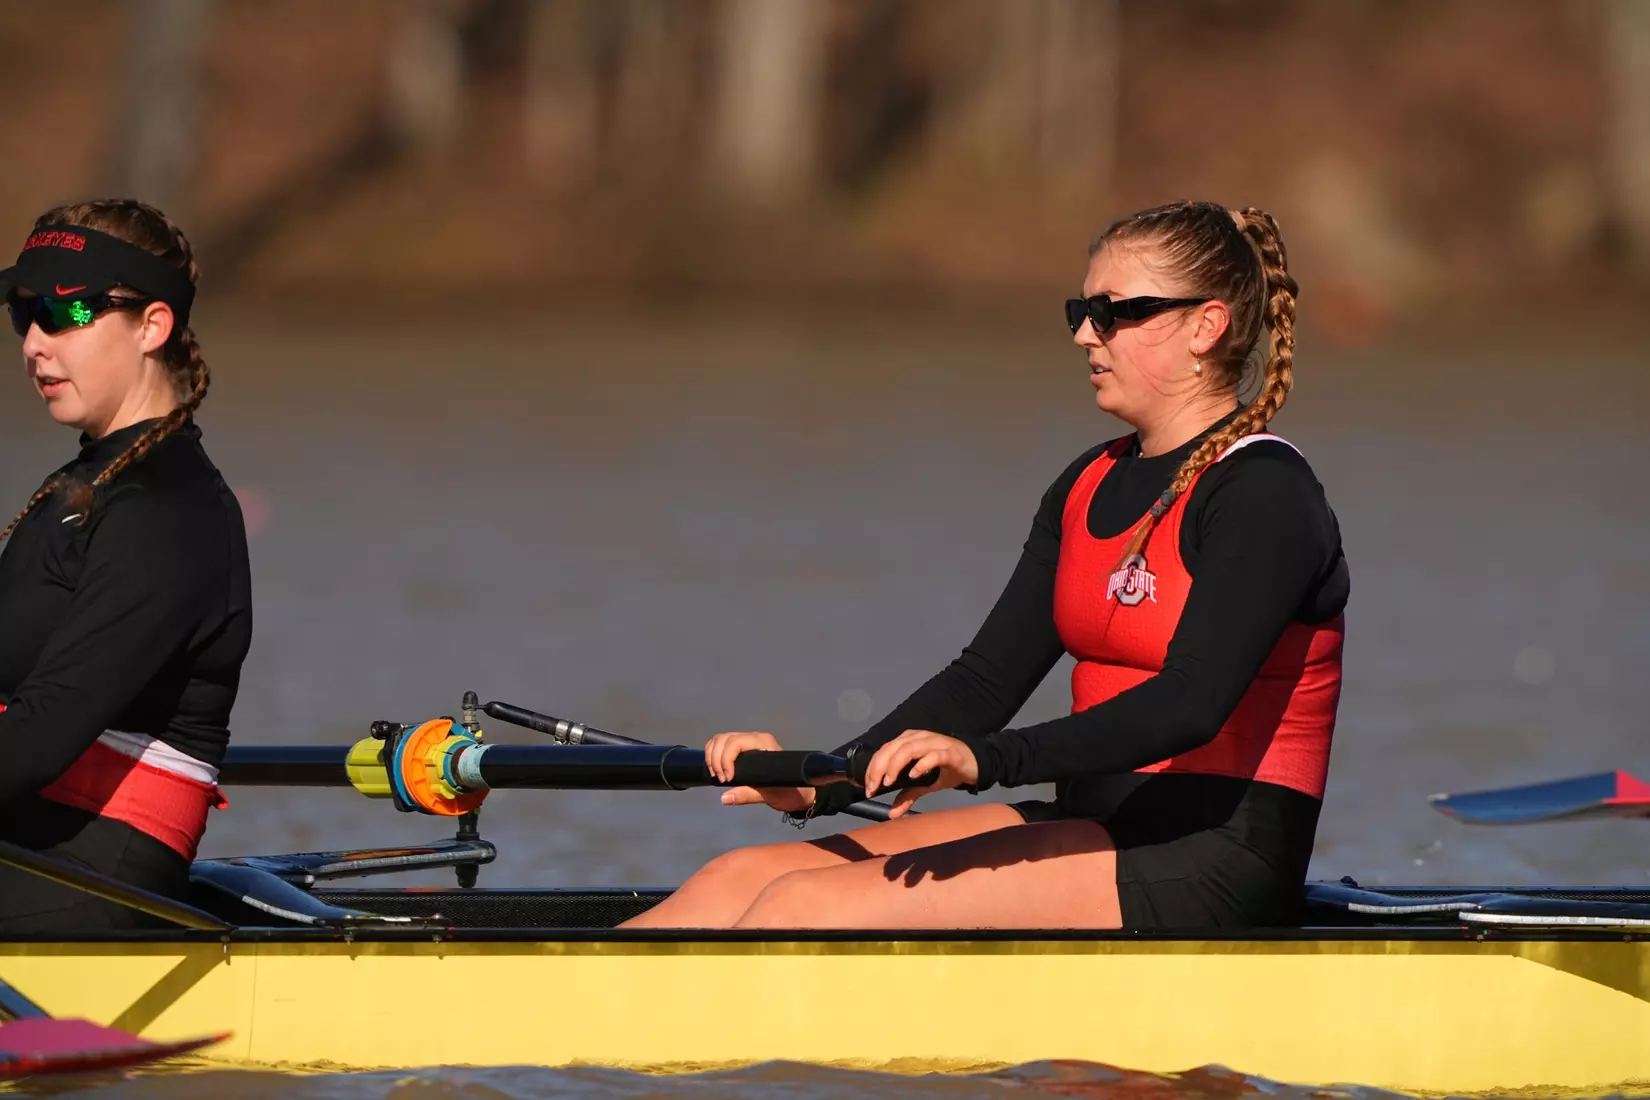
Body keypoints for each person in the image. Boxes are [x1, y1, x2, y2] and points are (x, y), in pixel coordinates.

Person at [625, 200, 1348, 930]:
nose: (1083, 334)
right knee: (737, 879)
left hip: (1217, 854)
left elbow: (1189, 703)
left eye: (1114, 312)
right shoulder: (1087, 482)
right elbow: (986, 679)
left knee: (806, 906)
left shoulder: (1264, 494)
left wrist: (984, 760)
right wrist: (824, 781)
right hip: (1091, 824)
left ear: (1206, 324)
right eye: (1080, 308)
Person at [0, 199, 252, 932]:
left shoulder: (169, 513)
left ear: (152, 325)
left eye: (64, 313)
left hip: (95, 875)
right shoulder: (90, 485)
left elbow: (39, 735)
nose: (35, 344)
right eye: (24, 316)